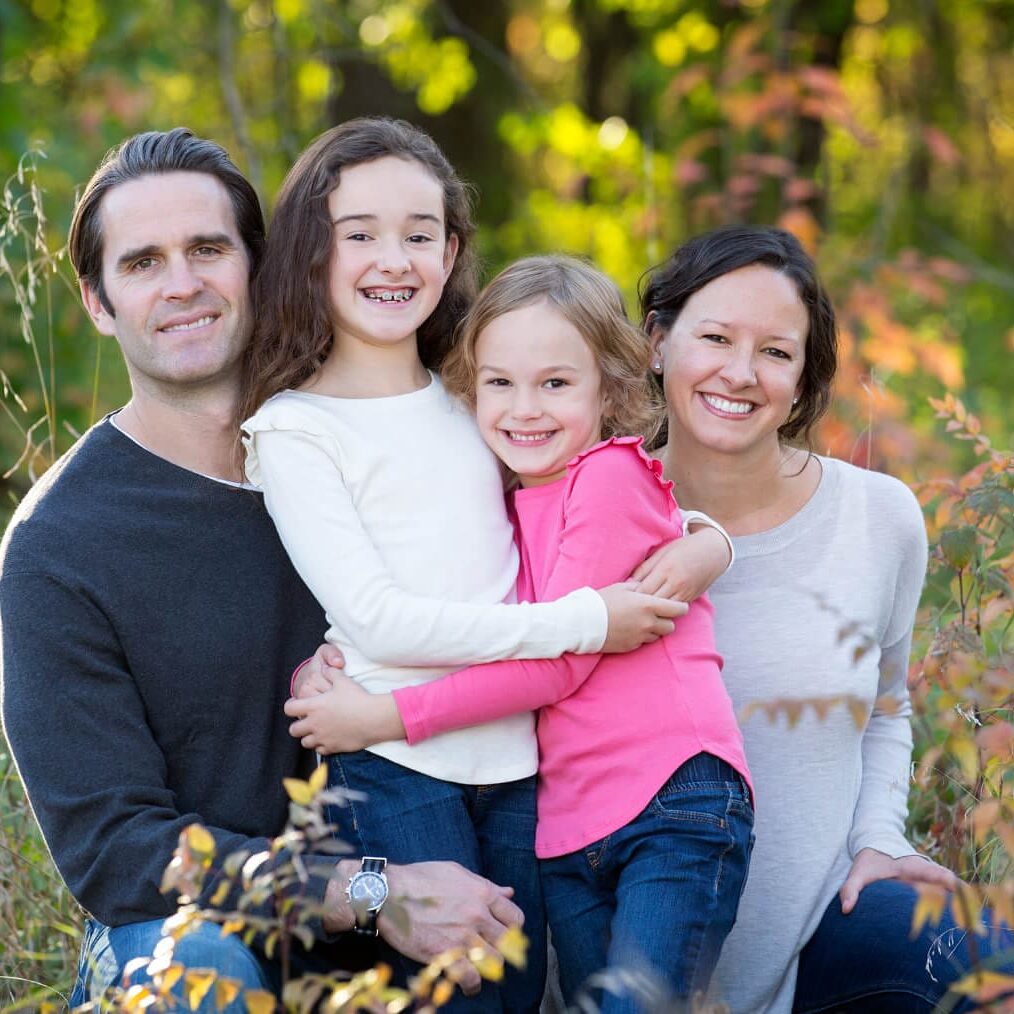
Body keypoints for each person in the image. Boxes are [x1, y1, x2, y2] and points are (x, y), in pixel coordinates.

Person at [0, 127, 553, 1011]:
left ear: (263, 266)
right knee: (198, 969)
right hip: (215, 931)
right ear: (99, 302)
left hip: (445, 872)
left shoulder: (380, 438)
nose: (182, 284)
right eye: (143, 262)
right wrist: (370, 895)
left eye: (208, 249)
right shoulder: (60, 545)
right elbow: (120, 853)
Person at [238, 120, 715, 1012]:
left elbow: (586, 499)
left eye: (420, 234)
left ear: (452, 250)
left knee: (524, 987)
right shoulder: (297, 429)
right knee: (460, 998)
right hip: (389, 756)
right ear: (311, 250)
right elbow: (378, 617)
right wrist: (587, 622)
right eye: (361, 234)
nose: (395, 259)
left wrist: (704, 540)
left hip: (518, 760)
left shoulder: (477, 392)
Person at [638, 225, 1011, 1013]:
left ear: (804, 378)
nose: (740, 373)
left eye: (776, 351)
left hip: (817, 939)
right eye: (713, 337)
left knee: (991, 960)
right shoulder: (583, 510)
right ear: (657, 343)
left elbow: (885, 705)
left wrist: (880, 835)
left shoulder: (878, 518)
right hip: (618, 957)